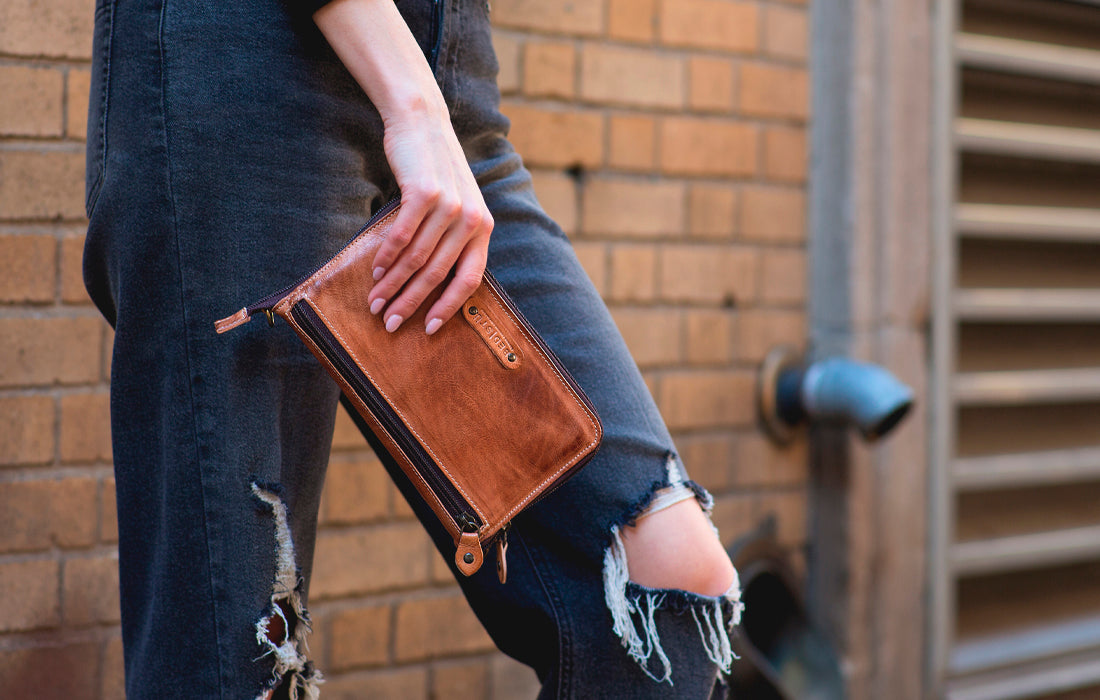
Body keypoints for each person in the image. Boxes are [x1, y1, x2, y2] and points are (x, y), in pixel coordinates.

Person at [82, 0, 743, 696]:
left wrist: (427, 105)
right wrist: (415, 106)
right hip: (247, 69)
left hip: (449, 91)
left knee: (666, 583)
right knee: (243, 660)